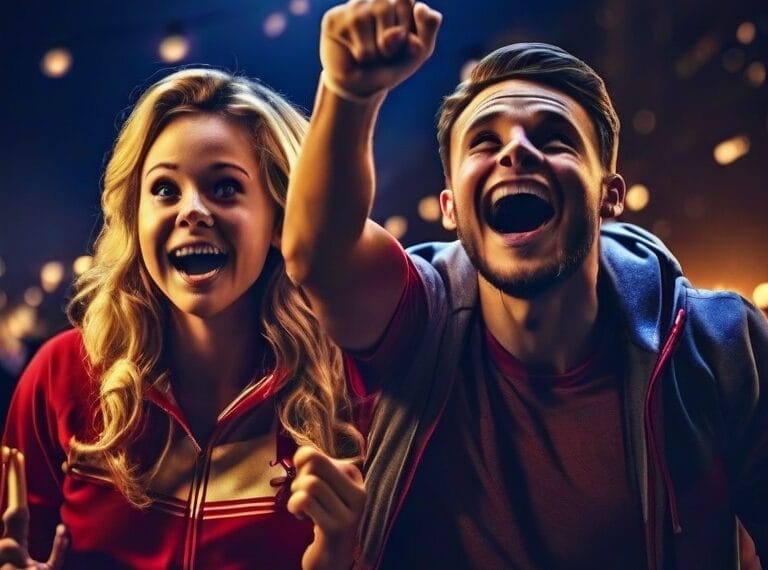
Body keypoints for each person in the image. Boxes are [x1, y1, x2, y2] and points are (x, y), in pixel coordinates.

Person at [282, 0, 768, 568]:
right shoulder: (419, 318)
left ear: (608, 194)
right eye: (484, 142)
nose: (516, 149)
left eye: (555, 137)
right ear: (450, 207)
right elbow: (318, 255)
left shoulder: (719, 344)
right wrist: (348, 93)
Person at [1, 68, 366, 570]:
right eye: (165, 190)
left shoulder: (347, 389)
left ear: (280, 218)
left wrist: (341, 558)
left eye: (224, 188)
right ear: (135, 215)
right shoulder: (60, 375)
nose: (191, 210)